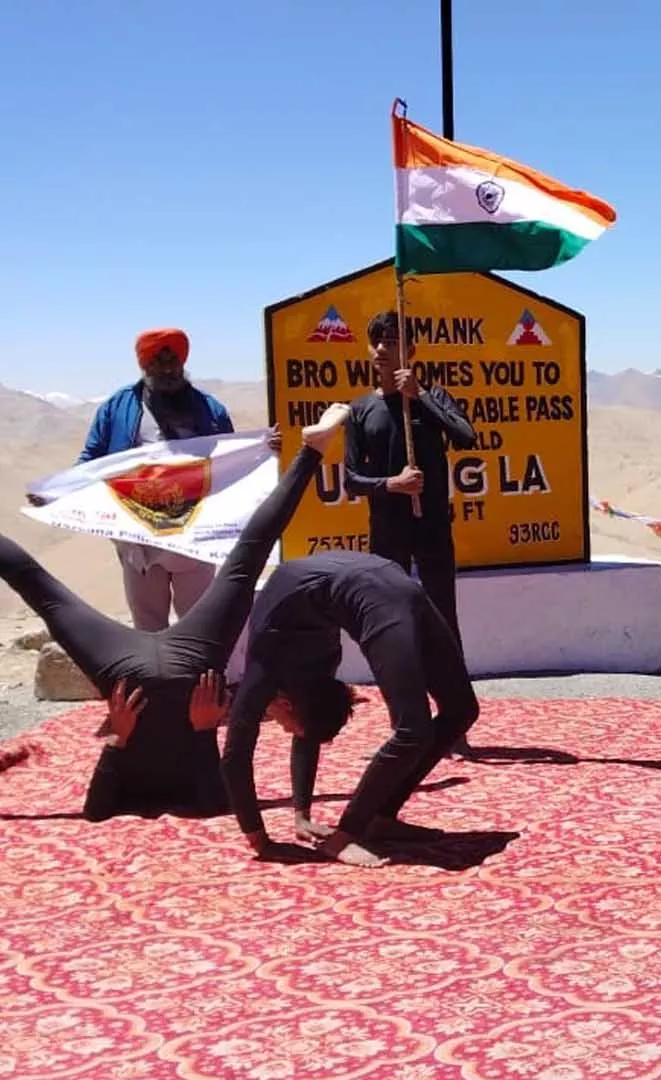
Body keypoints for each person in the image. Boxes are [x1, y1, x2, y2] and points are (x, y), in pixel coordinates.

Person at [2, 404, 352, 820]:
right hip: (186, 668)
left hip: (130, 679)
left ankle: (311, 453)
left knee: (41, 589)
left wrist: (119, 738)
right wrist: (201, 732)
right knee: (246, 558)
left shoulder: (135, 778)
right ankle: (310, 454)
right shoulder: (248, 711)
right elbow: (214, 803)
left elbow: (96, 812)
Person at [219, 547, 481, 869]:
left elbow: (277, 737)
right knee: (422, 726)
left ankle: (348, 834)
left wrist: (273, 838)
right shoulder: (278, 665)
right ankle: (374, 819)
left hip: (386, 591)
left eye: (288, 727)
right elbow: (234, 753)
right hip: (379, 580)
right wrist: (275, 832)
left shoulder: (275, 664)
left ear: (286, 703)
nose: (282, 729)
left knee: (451, 713)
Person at [78, 328, 241, 630]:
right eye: (158, 362)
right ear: (144, 366)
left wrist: (264, 450)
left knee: (198, 622)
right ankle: (154, 678)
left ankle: (195, 678)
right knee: (148, 622)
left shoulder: (209, 409)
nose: (167, 369)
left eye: (173, 362)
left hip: (194, 534)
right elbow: (91, 459)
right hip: (138, 535)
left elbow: (234, 457)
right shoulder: (119, 407)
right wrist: (58, 494)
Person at [343, 310, 477, 642]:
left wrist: (420, 396)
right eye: (376, 343)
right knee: (389, 611)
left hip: (431, 523)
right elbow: (350, 479)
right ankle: (401, 684)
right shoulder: (360, 410)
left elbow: (465, 436)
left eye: (392, 342)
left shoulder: (434, 397)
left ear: (411, 351)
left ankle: (452, 685)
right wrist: (392, 485)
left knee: (442, 610)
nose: (382, 350)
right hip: (387, 528)